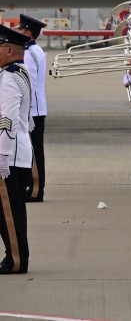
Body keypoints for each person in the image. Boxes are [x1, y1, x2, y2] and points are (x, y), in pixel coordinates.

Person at [0, 24, 32, 274]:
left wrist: (2, 156)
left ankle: (16, 260)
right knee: (13, 210)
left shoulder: (9, 78)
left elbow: (7, 121)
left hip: (9, 156)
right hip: (19, 152)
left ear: (9, 49)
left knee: (9, 213)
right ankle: (15, 256)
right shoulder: (21, 73)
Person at [15, 15, 46, 202]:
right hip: (37, 108)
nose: (17, 32)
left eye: (19, 29)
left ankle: (35, 190)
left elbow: (29, 84)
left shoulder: (28, 53)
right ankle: (33, 187)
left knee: (34, 153)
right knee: (34, 151)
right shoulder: (35, 50)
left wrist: (26, 111)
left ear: (27, 33)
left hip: (33, 110)